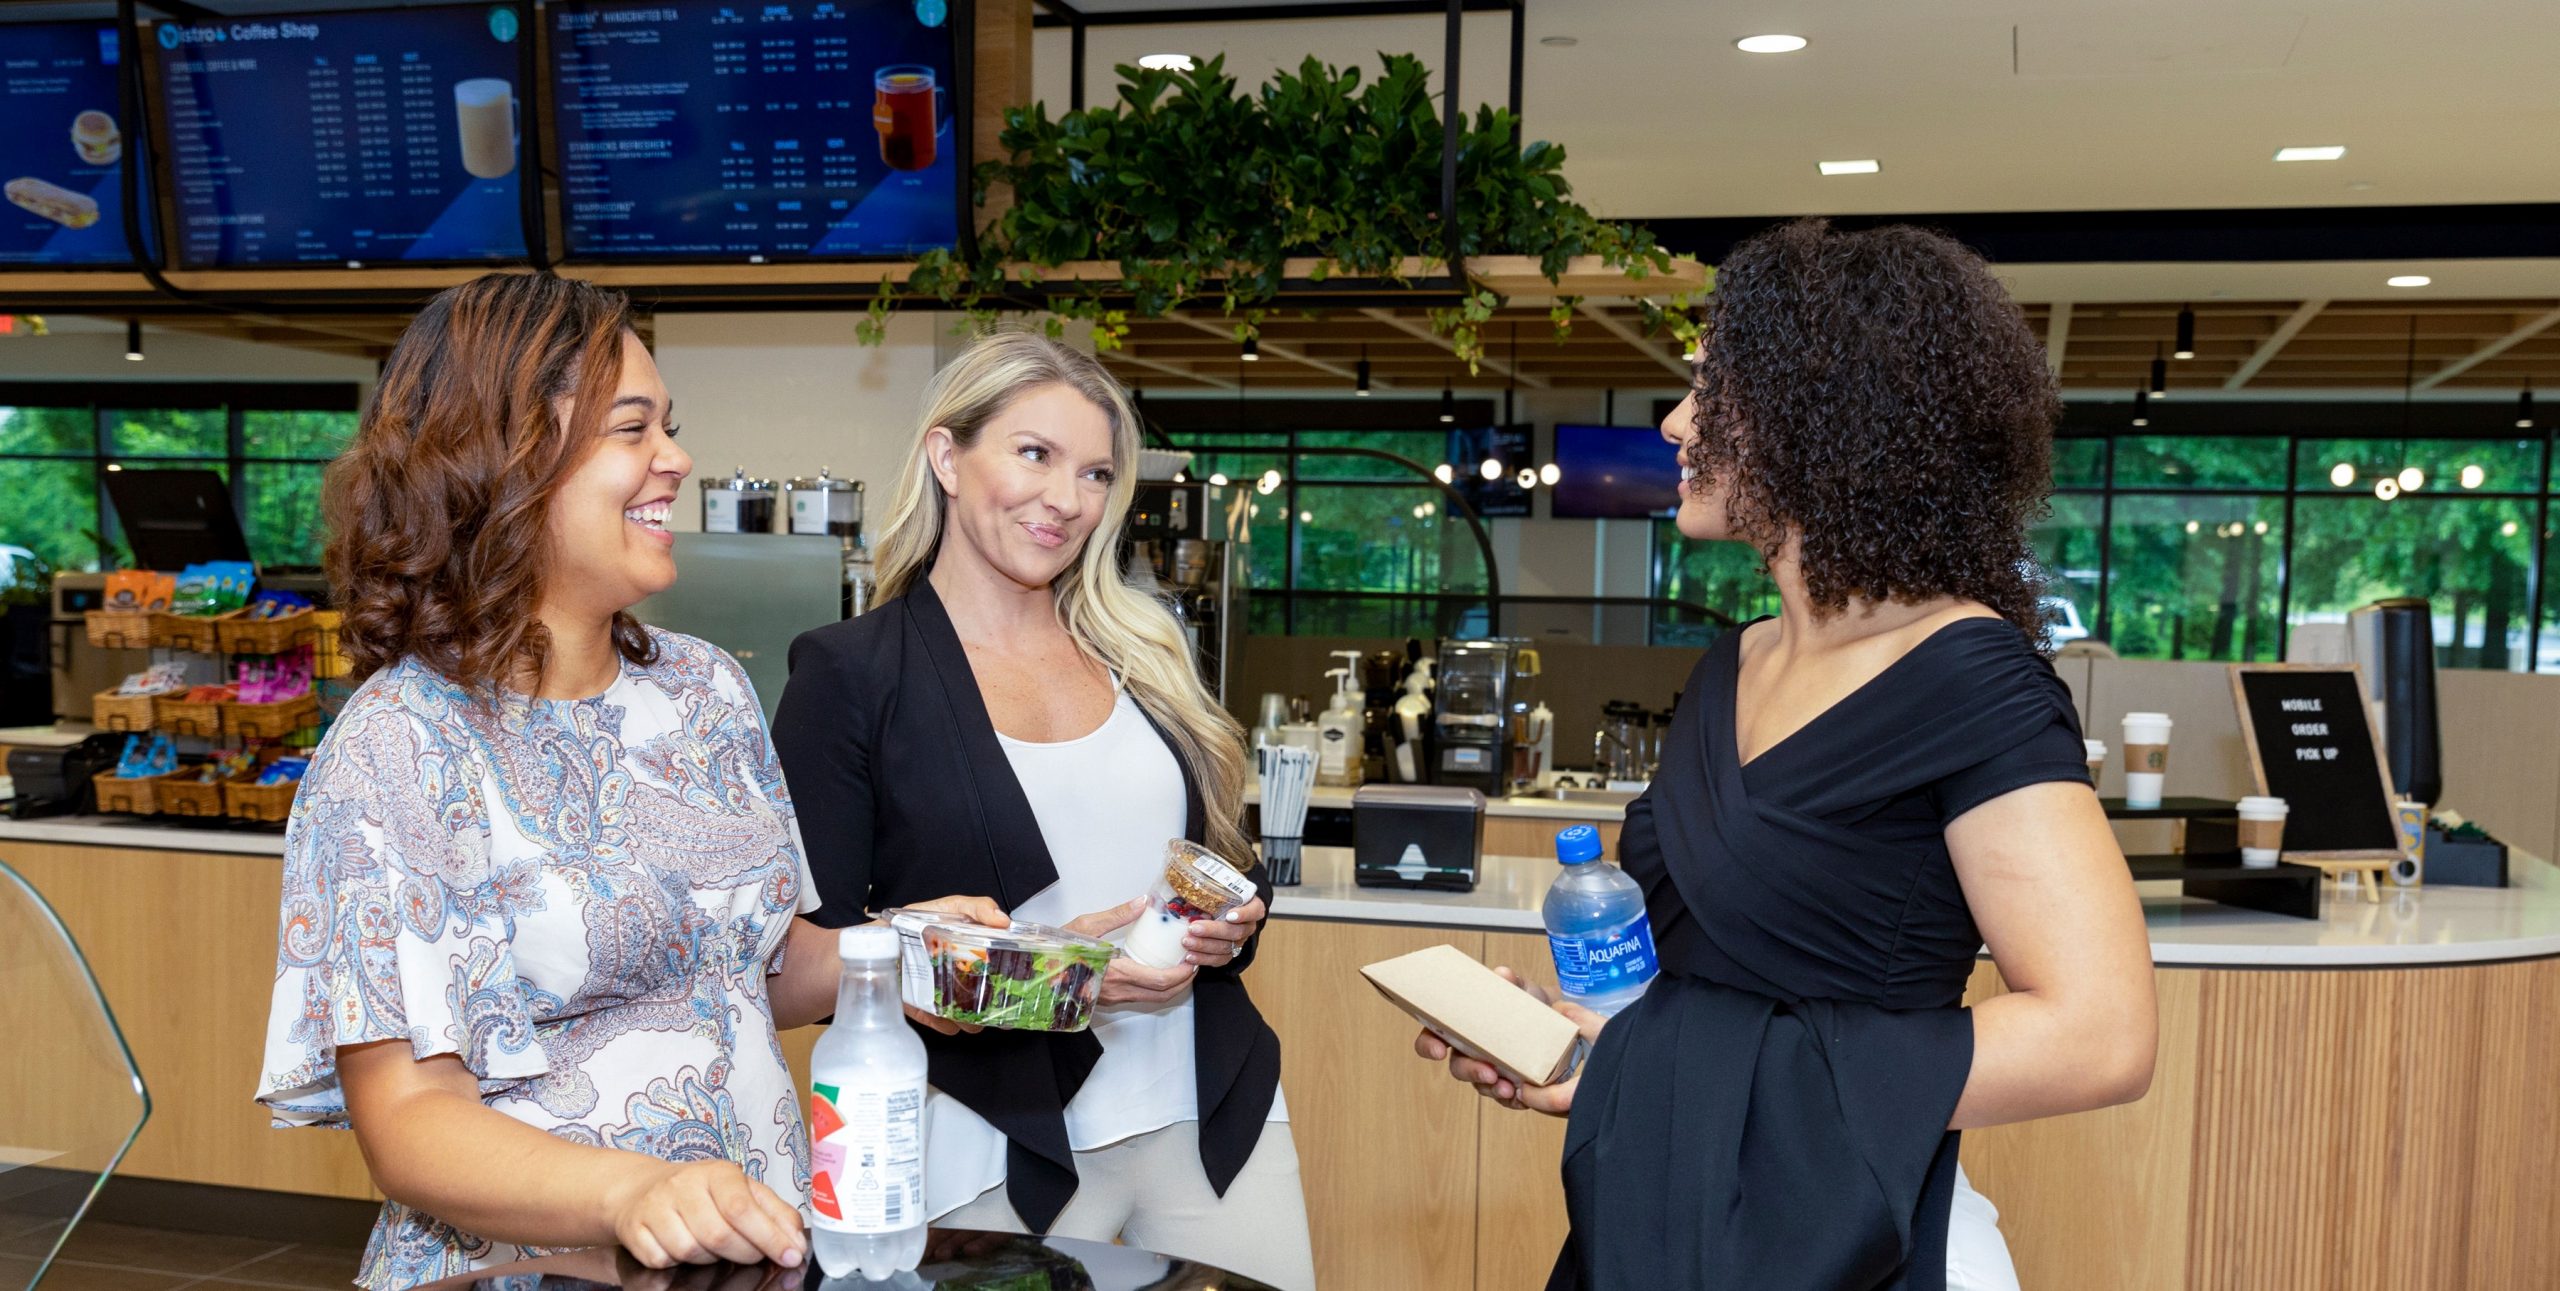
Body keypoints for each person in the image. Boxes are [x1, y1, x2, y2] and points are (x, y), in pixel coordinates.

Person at [1418, 220, 2159, 1291]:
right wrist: (1591, 1050)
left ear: (1826, 417)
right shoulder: (1731, 664)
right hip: (1665, 1220)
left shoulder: (1967, 675)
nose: (1675, 422)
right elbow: (1723, 987)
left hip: (1860, 1246)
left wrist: (1673, 1073)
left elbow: (2101, 1036)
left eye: (1710, 391)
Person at [258, 272, 988, 1288]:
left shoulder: (704, 689)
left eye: (669, 427)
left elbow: (748, 969)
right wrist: (628, 1190)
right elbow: (410, 1121)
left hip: (740, 1259)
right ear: (502, 460)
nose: (676, 460)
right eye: (631, 429)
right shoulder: (400, 746)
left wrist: (899, 953)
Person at [770, 330, 1315, 1290]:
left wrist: (1227, 922)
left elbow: (1220, 858)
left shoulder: (1143, 652)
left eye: (1096, 471)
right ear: (946, 456)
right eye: (1035, 454)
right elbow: (804, 968)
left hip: (1210, 1109)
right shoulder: (851, 673)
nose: (1067, 498)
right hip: (992, 1141)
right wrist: (1067, 980)